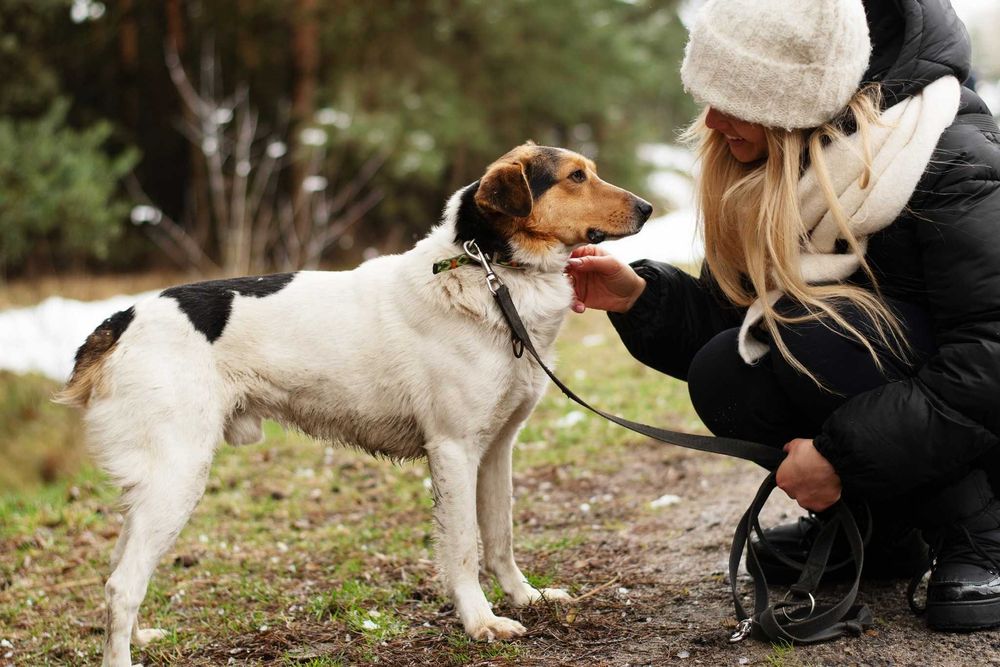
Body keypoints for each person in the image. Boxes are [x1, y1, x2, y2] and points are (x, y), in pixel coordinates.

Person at [567, 0, 1000, 632]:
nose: (711, 119)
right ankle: (880, 532)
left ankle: (982, 531)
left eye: (734, 98)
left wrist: (840, 458)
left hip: (982, 421)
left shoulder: (950, 158)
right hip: (905, 407)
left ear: (797, 99)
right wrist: (643, 300)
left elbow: (990, 358)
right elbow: (736, 325)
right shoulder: (776, 162)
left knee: (808, 333)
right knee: (727, 371)